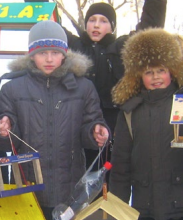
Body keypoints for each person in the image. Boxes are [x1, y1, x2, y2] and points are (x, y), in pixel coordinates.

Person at [0, 20, 110, 220]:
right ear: (31, 54)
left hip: (68, 187)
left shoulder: (83, 87)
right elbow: (5, 139)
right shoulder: (13, 88)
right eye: (42, 52)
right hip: (28, 188)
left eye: (55, 52)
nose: (49, 58)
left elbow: (89, 126)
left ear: (65, 54)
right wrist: (4, 129)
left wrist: (96, 130)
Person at [110, 28, 183, 220]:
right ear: (137, 74)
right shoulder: (130, 110)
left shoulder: (181, 103)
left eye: (161, 70)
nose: (155, 77)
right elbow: (122, 162)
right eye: (148, 71)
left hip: (180, 200)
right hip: (145, 201)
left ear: (173, 70)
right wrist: (117, 203)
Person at [63, 0, 167, 168]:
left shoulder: (122, 47)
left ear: (112, 27)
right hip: (77, 131)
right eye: (92, 20)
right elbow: (46, 22)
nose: (96, 25)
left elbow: (150, 28)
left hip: (114, 132)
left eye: (103, 21)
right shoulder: (74, 46)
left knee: (111, 186)